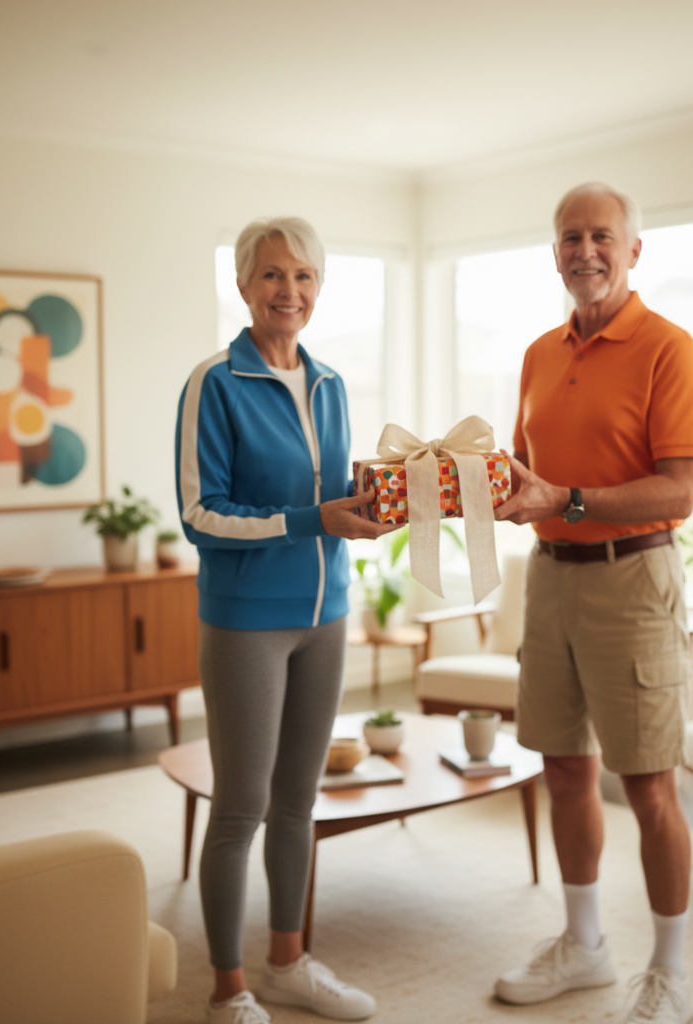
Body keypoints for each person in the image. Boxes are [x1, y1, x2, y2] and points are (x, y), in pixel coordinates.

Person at [492, 182, 693, 1024]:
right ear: (555, 253)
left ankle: (672, 973)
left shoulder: (669, 347)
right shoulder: (541, 353)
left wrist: (568, 500)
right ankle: (584, 948)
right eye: (571, 237)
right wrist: (448, 480)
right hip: (551, 579)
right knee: (563, 766)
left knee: (649, 785)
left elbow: (680, 490)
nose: (586, 249)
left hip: (633, 579)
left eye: (602, 236)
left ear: (633, 250)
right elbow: (524, 472)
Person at [175, 217, 396, 1024]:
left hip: (325, 615)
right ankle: (228, 988)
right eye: (272, 276)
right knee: (241, 806)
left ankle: (287, 962)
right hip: (246, 622)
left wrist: (380, 507)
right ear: (243, 284)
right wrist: (312, 521)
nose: (289, 292)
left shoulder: (332, 383)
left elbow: (335, 497)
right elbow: (201, 515)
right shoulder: (215, 383)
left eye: (303, 277)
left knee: (299, 802)